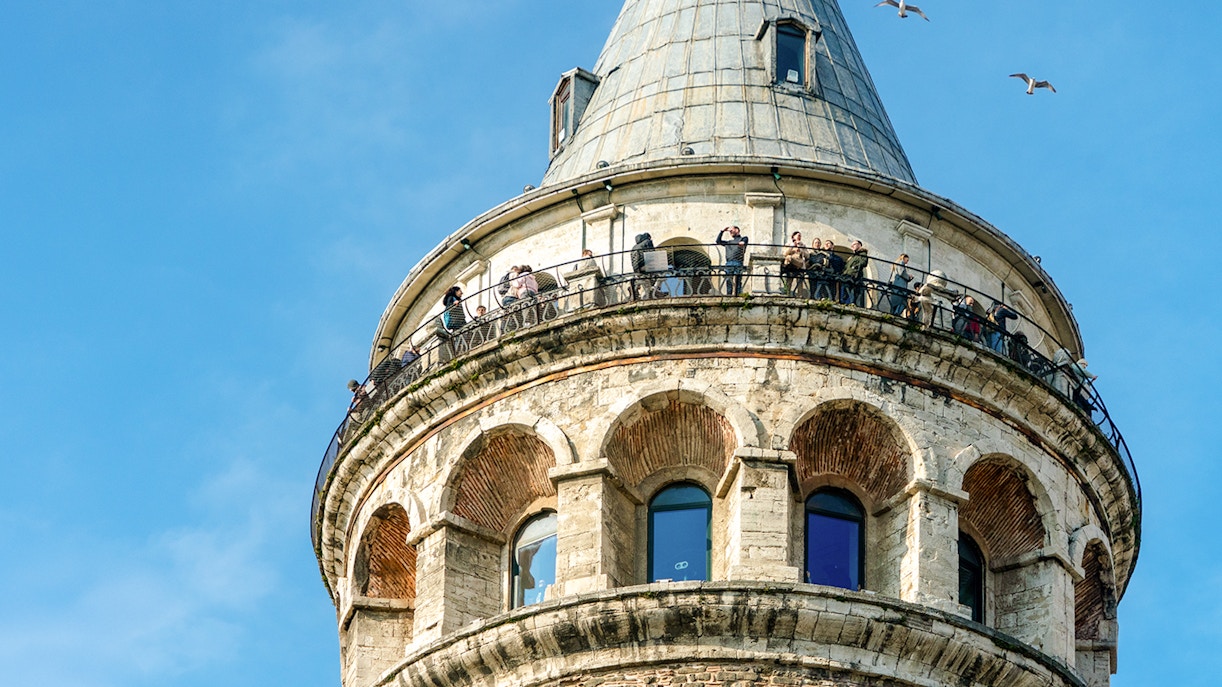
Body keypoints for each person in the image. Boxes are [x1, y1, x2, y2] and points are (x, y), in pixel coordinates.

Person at [716, 225, 749, 295]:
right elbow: (718, 241)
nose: (730, 232)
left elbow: (743, 243)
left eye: (732, 230)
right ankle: (729, 295)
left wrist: (741, 244)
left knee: (738, 280)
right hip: (729, 263)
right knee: (728, 280)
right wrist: (722, 231)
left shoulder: (744, 238)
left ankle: (738, 294)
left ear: (737, 230)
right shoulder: (728, 242)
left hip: (738, 261)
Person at [781, 231, 809, 296]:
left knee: (800, 282)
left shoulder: (803, 245)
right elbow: (784, 253)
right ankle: (787, 294)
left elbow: (807, 256)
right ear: (793, 236)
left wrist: (801, 250)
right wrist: (792, 248)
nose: (799, 237)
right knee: (789, 281)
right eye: (798, 235)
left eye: (800, 236)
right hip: (790, 266)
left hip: (799, 265)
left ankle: (800, 296)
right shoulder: (788, 244)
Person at [841, 240, 868, 306]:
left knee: (852, 291)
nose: (852, 246)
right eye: (852, 245)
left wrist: (855, 267)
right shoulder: (852, 257)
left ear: (859, 245)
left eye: (854, 244)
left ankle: (851, 303)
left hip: (854, 276)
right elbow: (847, 267)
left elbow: (864, 263)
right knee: (845, 290)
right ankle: (845, 303)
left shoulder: (862, 254)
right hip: (847, 276)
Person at [630, 233, 656, 299]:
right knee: (660, 272)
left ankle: (636, 290)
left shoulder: (634, 247)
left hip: (637, 268)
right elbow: (652, 253)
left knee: (643, 280)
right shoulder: (647, 242)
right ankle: (654, 290)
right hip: (645, 266)